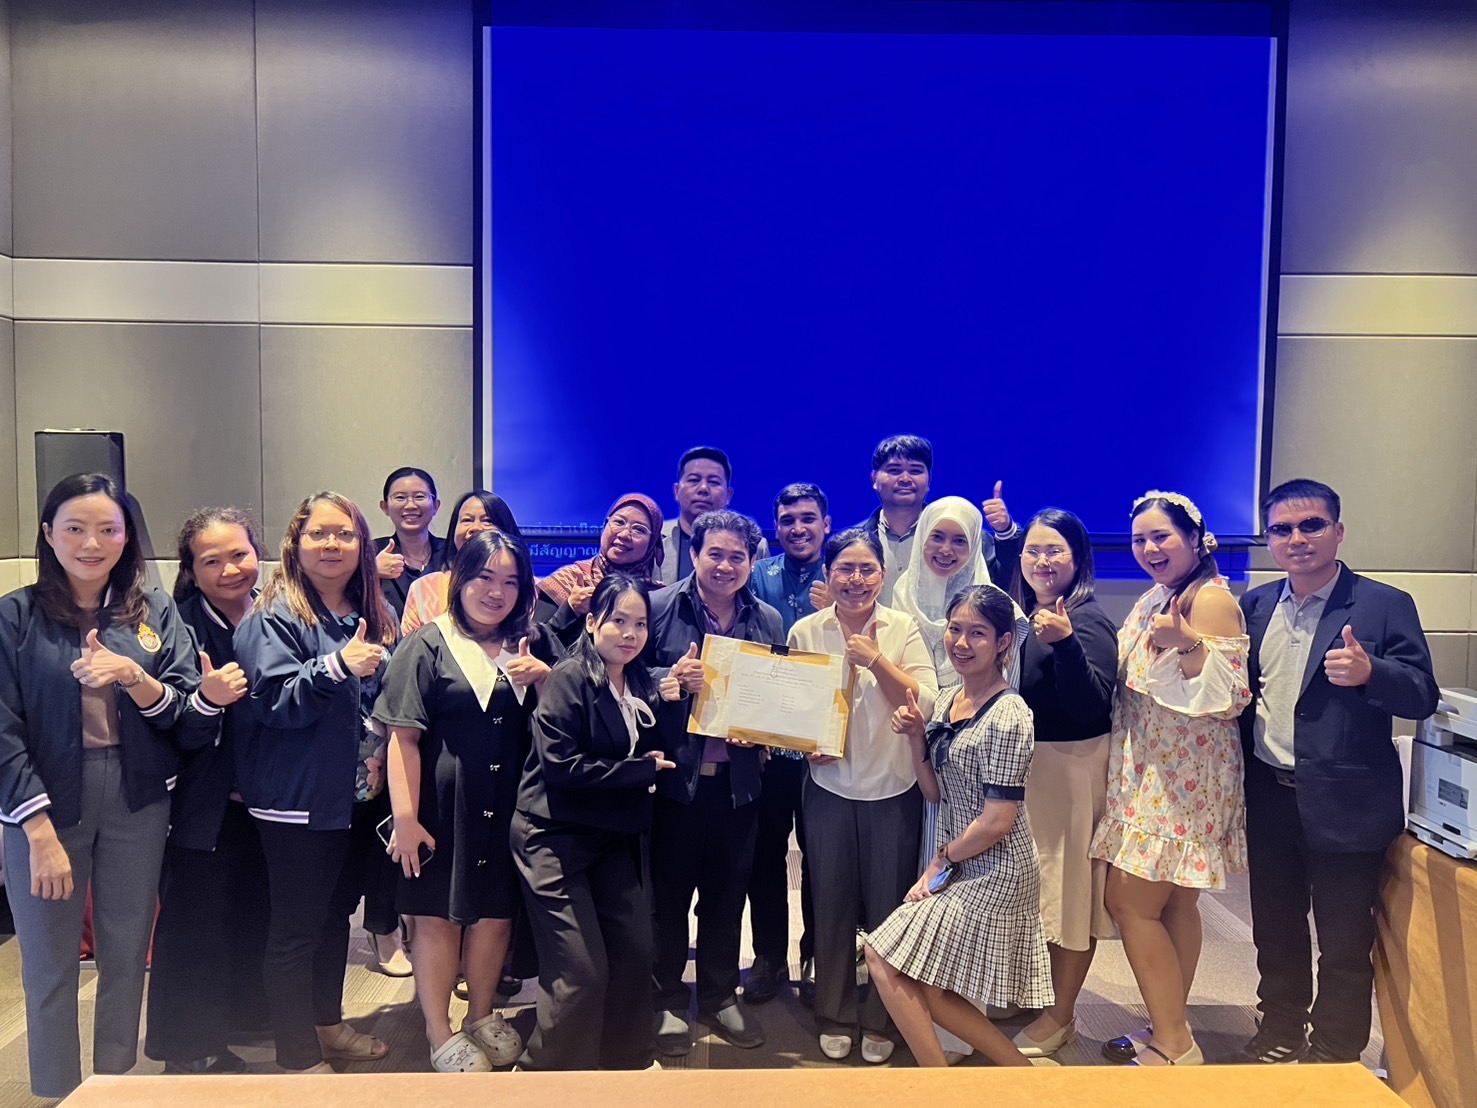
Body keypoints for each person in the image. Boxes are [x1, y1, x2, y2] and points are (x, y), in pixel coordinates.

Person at [0, 474, 205, 1098]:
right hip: (44, 801)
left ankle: (112, 1085)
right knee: (49, 961)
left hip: (137, 796)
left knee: (126, 952)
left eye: (108, 529)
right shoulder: (15, 615)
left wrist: (133, 678)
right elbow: (2, 730)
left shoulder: (153, 611)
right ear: (48, 535)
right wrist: (37, 832)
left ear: (127, 537)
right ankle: (58, 1091)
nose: (92, 543)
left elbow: (184, 707)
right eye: (75, 528)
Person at [1236, 479, 1437, 1065]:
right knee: (1276, 925)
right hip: (1269, 794)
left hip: (1348, 803)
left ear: (1338, 531)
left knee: (1345, 937)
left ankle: (1337, 1045)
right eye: (1282, 529)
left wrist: (1373, 672)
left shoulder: (1383, 604)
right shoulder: (1255, 606)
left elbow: (1422, 693)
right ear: (1269, 539)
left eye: (1311, 525)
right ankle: (1280, 1026)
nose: (1296, 538)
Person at [376, 531, 558, 1071]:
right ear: (459, 580)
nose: (496, 592)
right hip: (440, 811)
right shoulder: (427, 645)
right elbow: (402, 739)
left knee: (495, 917)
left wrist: (546, 680)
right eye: (484, 578)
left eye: (510, 582)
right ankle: (438, 1031)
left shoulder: (532, 644)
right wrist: (405, 819)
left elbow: (564, 720)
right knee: (436, 919)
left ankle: (481, 1015)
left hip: (511, 811)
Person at [233, 491, 400, 1074]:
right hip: (297, 801)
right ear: (295, 544)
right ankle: (298, 1058)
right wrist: (336, 666)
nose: (332, 545)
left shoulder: (371, 612)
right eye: (319, 534)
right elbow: (273, 702)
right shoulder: (274, 615)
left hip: (354, 801)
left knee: (333, 920)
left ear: (363, 546)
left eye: (345, 534)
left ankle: (328, 1028)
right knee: (295, 932)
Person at [1092, 491, 1251, 1067]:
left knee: (1129, 901)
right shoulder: (1161, 594)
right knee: (1174, 905)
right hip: (1154, 768)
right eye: (1140, 539)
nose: (1149, 548)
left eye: (1161, 536)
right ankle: (1169, 1025)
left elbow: (1228, 698)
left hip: (1181, 775)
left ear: (1195, 539)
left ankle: (1176, 1043)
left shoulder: (1209, 600)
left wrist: (1187, 645)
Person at [865, 584, 1052, 1068]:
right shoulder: (949, 699)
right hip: (961, 860)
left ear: (1004, 642)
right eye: (955, 629)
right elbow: (933, 792)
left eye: (978, 633)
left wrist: (941, 861)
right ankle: (1020, 1073)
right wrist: (915, 738)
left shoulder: (1010, 714)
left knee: (883, 957)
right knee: (928, 983)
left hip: (998, 869)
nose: (962, 643)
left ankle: (939, 1086)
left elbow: (997, 821)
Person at [512, 574, 687, 1070]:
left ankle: (626, 1061)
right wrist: (640, 770)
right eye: (618, 621)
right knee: (582, 972)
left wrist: (677, 692)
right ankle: (546, 1073)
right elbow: (562, 768)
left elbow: (660, 732)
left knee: (635, 953)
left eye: (640, 624)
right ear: (591, 622)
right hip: (552, 836)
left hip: (609, 835)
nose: (630, 634)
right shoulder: (569, 677)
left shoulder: (638, 678)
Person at [788, 528, 938, 1064]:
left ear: (883, 573)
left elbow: (925, 699)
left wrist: (875, 660)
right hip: (828, 786)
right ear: (827, 575)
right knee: (829, 902)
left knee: (887, 907)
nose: (855, 579)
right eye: (844, 569)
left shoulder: (902, 627)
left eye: (866, 569)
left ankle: (882, 1017)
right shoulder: (807, 630)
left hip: (893, 785)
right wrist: (805, 744)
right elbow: (792, 706)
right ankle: (833, 1013)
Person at [646, 509, 784, 1055]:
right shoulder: (658, 608)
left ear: (752, 562)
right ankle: (665, 999)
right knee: (668, 898)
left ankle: (720, 995)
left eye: (737, 557)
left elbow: (778, 694)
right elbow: (622, 673)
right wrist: (668, 679)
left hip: (738, 784)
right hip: (673, 785)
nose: (725, 566)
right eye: (715, 554)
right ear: (694, 554)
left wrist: (767, 732)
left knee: (727, 897)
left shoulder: (767, 619)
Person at [145, 507, 272, 1075]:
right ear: (191, 571)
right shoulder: (177, 626)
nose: (229, 570)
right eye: (211, 561)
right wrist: (208, 700)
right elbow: (171, 724)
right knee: (194, 921)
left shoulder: (278, 613)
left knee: (255, 909)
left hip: (271, 798)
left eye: (239, 555)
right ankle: (188, 1047)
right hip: (204, 798)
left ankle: (247, 1017)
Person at [1007, 508, 1118, 1057]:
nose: (1042, 560)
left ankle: (1062, 1015)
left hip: (1070, 771)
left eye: (1055, 551)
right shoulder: (1030, 612)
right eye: (1033, 550)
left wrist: (1069, 643)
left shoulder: (1086, 619)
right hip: (1035, 770)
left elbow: (1090, 705)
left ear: (1079, 558)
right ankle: (1040, 995)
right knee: (1041, 892)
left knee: (1072, 897)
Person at [742, 483, 829, 1005]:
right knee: (766, 854)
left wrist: (836, 608)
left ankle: (818, 956)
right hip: (771, 746)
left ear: (826, 524)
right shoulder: (757, 576)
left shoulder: (845, 574)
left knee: (821, 857)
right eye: (788, 519)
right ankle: (769, 957)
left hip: (825, 747)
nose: (798, 528)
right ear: (776, 527)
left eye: (808, 518)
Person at [850, 435, 1018, 606]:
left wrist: (1006, 531)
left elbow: (1010, 583)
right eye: (894, 470)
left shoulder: (964, 537)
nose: (905, 479)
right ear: (874, 479)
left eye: (915, 471)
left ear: (929, 480)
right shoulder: (852, 542)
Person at [536, 492, 665, 643]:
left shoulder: (659, 598)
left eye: (639, 529)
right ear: (605, 526)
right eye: (619, 522)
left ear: (652, 543)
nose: (624, 534)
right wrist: (570, 609)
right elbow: (532, 643)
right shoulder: (569, 580)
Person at [401, 491, 521, 634]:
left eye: (487, 521)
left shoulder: (533, 589)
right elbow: (410, 646)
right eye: (467, 520)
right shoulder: (423, 588)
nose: (475, 528)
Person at [657, 447, 767, 585]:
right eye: (694, 480)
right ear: (676, 491)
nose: (703, 488)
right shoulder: (654, 539)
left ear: (728, 495)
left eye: (714, 482)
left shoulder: (756, 545)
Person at [374, 467, 444, 621]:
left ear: (436, 506)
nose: (410, 505)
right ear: (385, 507)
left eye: (420, 497)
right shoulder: (369, 553)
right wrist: (371, 573)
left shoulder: (453, 553)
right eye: (400, 497)